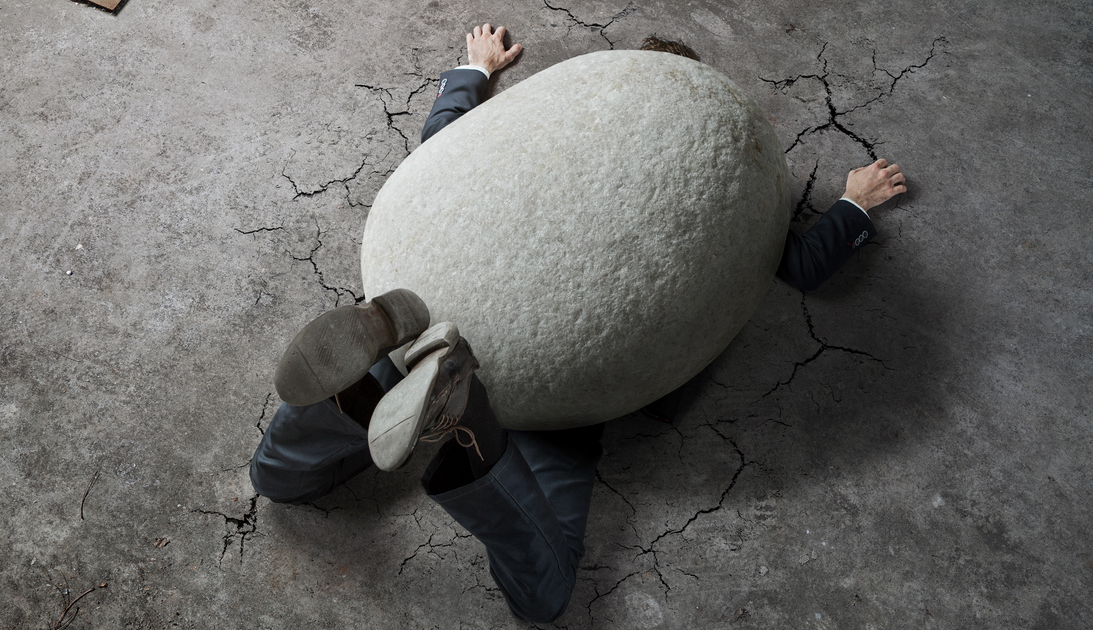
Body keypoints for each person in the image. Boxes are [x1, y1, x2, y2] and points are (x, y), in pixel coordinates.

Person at [250, 24, 907, 624]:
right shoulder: (720, 179)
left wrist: (475, 73)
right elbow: (795, 264)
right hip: (566, 397)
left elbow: (445, 143)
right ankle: (475, 427)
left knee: (275, 480)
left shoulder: (559, 127)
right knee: (542, 597)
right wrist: (852, 203)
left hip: (433, 310)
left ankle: (362, 384)